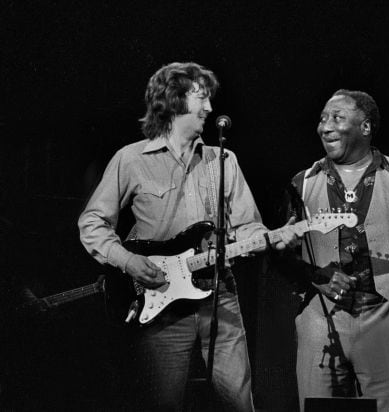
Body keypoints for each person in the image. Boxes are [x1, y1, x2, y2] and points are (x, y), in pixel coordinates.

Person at [78, 61, 298, 411]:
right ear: (172, 101)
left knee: (239, 402)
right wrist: (129, 261)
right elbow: (92, 223)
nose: (210, 108)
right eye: (201, 98)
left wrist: (271, 238)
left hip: (220, 292)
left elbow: (247, 226)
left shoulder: (222, 160)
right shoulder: (131, 160)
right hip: (162, 301)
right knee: (162, 402)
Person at [282, 89, 389, 412]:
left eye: (337, 118)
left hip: (383, 315)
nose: (325, 126)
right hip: (320, 317)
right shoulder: (303, 183)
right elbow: (285, 256)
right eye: (323, 119)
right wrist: (314, 278)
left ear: (365, 127)